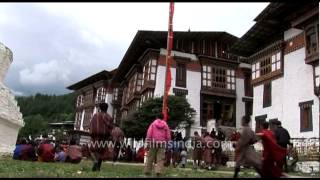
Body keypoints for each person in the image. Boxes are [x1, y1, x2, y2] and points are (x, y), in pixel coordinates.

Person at [144, 112, 171, 177]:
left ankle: (147, 171)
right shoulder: (165, 125)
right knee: (160, 158)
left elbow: (149, 133)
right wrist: (168, 142)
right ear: (163, 117)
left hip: (153, 142)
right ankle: (158, 171)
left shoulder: (153, 124)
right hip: (162, 143)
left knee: (150, 157)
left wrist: (148, 142)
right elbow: (168, 135)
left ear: (156, 117)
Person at [89, 102, 114, 171]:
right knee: (101, 152)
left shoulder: (95, 115)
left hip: (95, 137)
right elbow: (111, 127)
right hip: (104, 137)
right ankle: (98, 167)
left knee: (93, 151)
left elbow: (91, 125)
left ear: (99, 108)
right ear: (107, 108)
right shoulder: (109, 117)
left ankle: (95, 162)